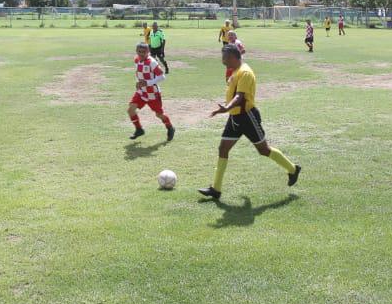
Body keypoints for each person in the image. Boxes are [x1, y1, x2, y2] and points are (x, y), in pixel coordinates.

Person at [198, 45, 300, 200]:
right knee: (223, 148)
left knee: (263, 150)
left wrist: (226, 108)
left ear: (232, 57)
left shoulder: (245, 72)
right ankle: (216, 189)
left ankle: (293, 169)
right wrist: (227, 108)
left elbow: (240, 97)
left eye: (224, 58)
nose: (223, 61)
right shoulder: (235, 71)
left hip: (247, 117)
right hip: (234, 117)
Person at [127, 42, 174, 141]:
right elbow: (139, 73)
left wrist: (148, 83)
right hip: (141, 92)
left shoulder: (152, 62)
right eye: (139, 51)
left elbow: (162, 76)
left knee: (159, 114)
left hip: (153, 93)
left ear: (148, 51)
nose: (141, 54)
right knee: (131, 110)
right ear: (136, 51)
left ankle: (170, 127)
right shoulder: (136, 60)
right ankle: (139, 129)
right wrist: (137, 82)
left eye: (143, 52)